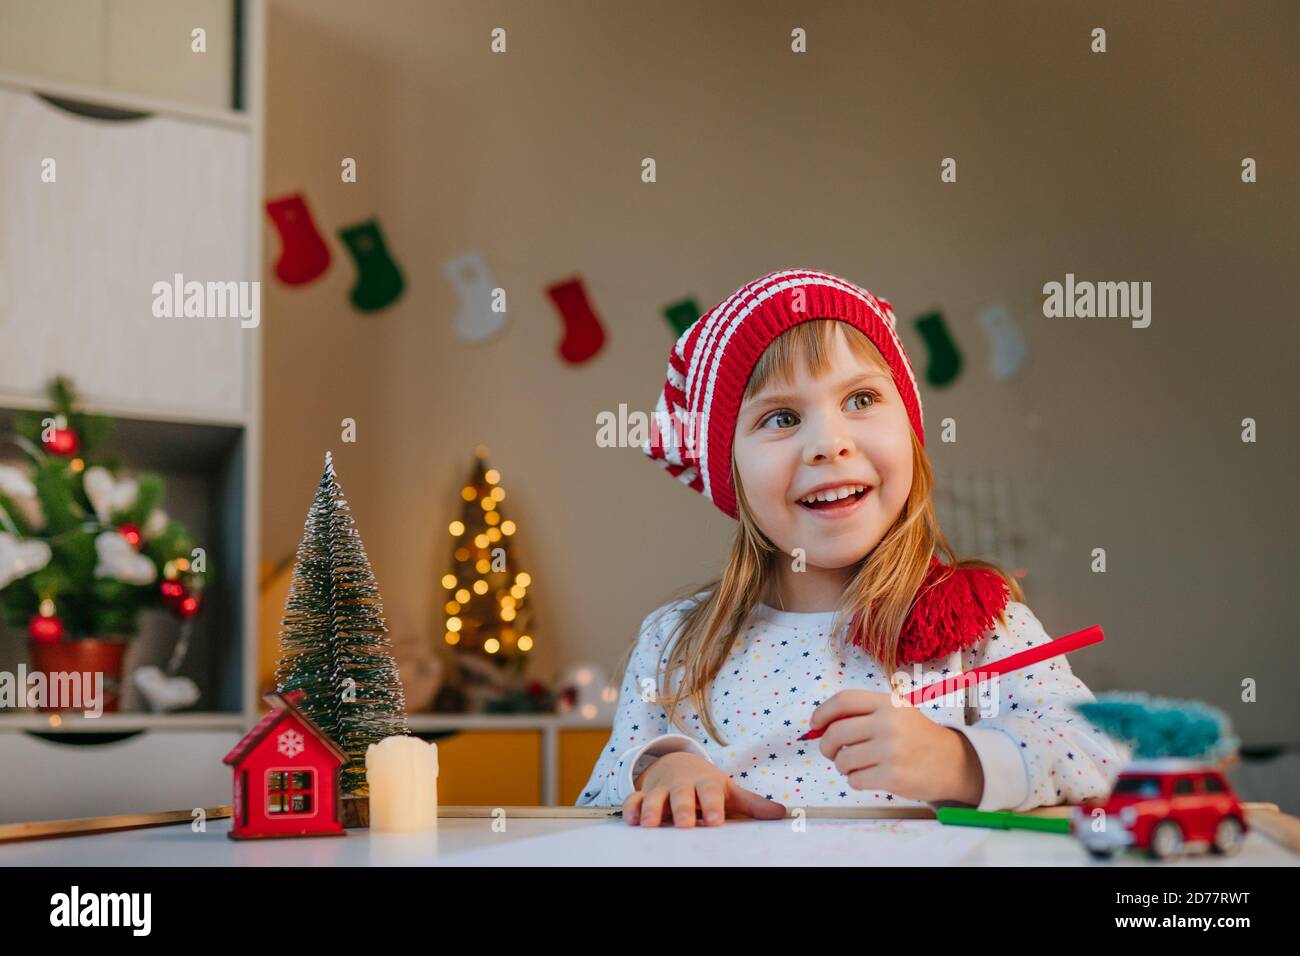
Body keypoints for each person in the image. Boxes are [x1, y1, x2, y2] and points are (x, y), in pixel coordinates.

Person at [577, 268, 1129, 827]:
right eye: (782, 417)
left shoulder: (982, 626)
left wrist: (958, 762)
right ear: (731, 472)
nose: (828, 444)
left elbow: (1103, 753)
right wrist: (662, 769)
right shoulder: (677, 643)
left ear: (910, 432)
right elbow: (596, 801)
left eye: (861, 398)